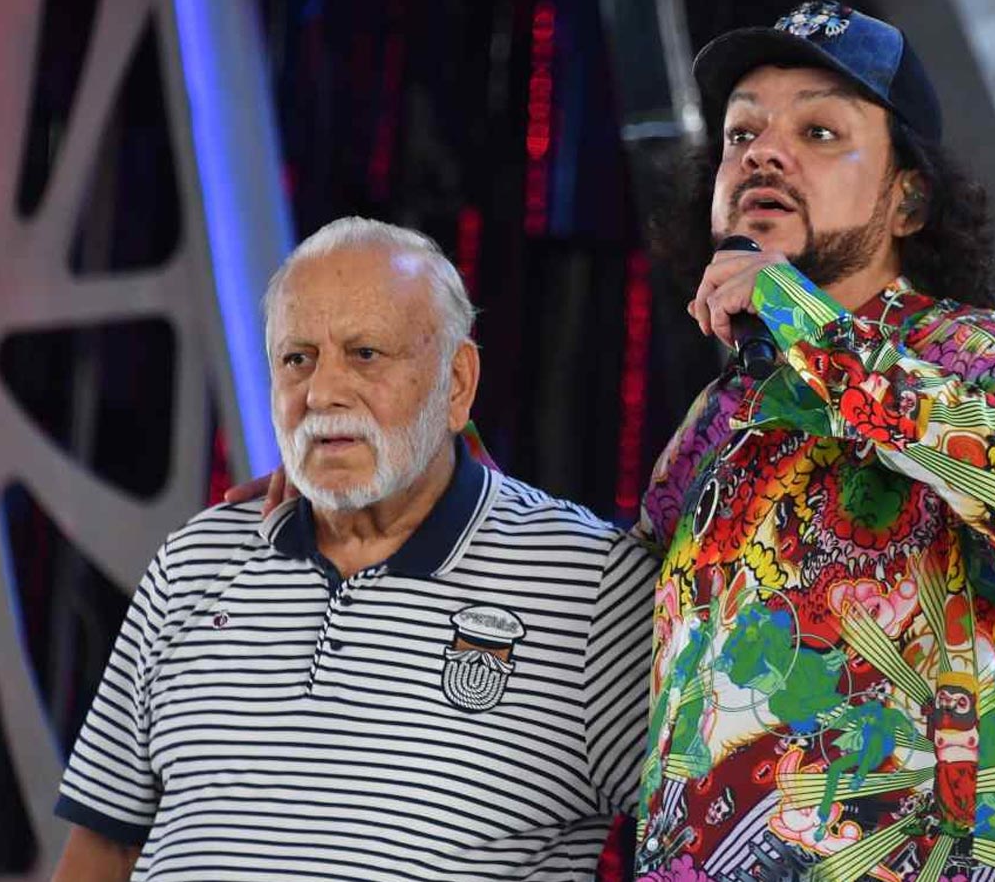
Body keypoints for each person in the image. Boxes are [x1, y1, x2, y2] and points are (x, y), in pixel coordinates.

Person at [632, 0, 995, 882]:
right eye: (741, 133)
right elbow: (616, 606)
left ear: (908, 199)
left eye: (819, 132)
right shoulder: (720, 419)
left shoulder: (974, 353)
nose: (762, 153)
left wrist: (807, 325)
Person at [49, 218, 657, 881]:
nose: (322, 393)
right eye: (297, 358)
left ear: (456, 382)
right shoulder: (193, 562)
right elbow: (105, 848)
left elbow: (713, 840)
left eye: (365, 353)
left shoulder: (592, 587)